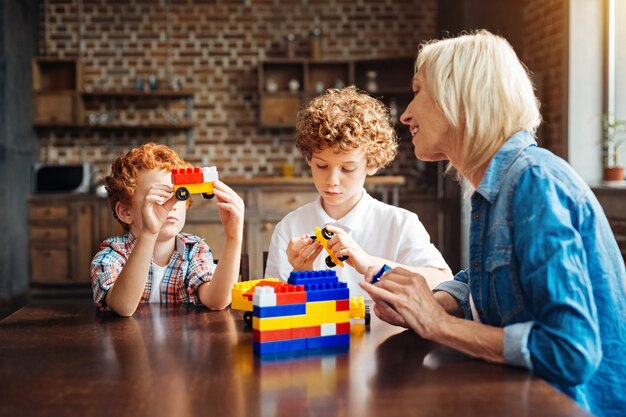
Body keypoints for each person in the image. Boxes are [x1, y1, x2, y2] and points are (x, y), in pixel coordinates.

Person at [359, 30, 626, 417]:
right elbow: (493, 279)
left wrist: (438, 324)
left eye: (419, 91)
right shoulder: (497, 185)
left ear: (459, 98)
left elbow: (571, 351)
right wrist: (435, 304)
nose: (405, 114)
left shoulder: (534, 181)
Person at [265, 86, 452, 298]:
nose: (332, 181)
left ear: (372, 164)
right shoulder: (290, 227)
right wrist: (302, 276)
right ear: (309, 160)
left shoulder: (400, 224)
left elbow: (444, 281)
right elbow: (274, 303)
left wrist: (370, 263)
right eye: (321, 166)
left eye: (348, 168)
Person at [91, 143, 244, 317]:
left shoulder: (194, 250)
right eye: (160, 197)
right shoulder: (112, 254)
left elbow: (217, 302)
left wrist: (234, 236)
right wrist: (149, 233)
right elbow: (123, 307)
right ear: (125, 212)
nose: (170, 206)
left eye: (178, 195)